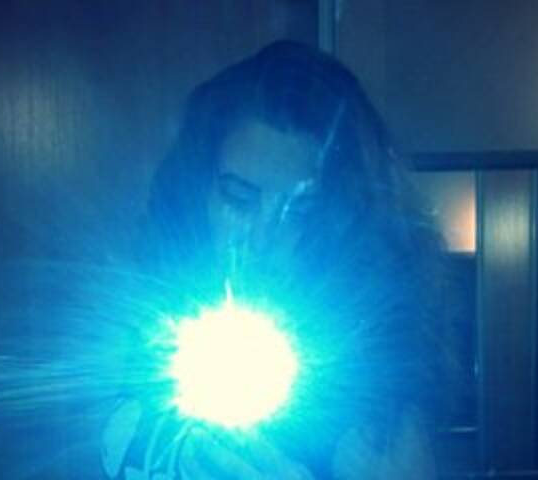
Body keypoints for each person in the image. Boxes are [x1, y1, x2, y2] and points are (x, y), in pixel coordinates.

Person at [101, 40, 453, 479]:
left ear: (344, 222)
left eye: (300, 211)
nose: (262, 239)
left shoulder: (374, 415)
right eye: (239, 198)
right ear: (196, 195)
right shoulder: (143, 331)